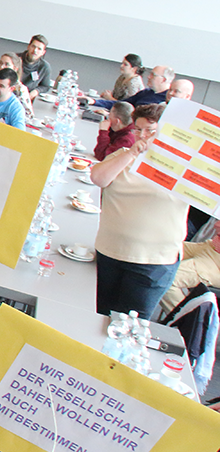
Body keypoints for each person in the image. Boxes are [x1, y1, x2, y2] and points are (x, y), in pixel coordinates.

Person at [92, 103, 188, 320]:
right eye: (138, 129)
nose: (143, 136)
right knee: (101, 317)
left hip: (154, 261)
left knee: (130, 327)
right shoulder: (122, 156)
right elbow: (99, 178)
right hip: (111, 252)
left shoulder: (182, 168)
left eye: (150, 130)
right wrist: (132, 154)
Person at [159, 233, 220, 317]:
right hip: (210, 247)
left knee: (164, 278)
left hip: (216, 264)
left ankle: (187, 321)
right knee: (158, 247)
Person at [91, 64, 173, 110]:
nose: (148, 77)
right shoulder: (146, 92)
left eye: (153, 75)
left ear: (163, 80)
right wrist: (94, 102)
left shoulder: (166, 100)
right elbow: (123, 104)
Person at [0, 53, 35, 123]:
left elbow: (29, 116)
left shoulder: (21, 89)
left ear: (15, 69)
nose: (2, 67)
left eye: (7, 64)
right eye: (0, 63)